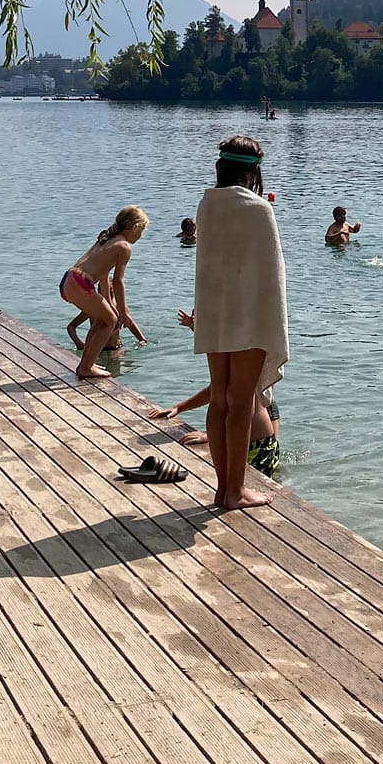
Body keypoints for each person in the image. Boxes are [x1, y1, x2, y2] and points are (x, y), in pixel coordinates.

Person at [194, 135, 289, 511]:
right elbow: (272, 275)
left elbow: (210, 263)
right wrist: (274, 324)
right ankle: (235, 492)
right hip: (249, 315)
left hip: (215, 311)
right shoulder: (258, 209)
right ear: (252, 171)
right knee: (242, 402)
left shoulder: (207, 205)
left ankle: (222, 488)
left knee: (219, 400)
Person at [59, 207, 149, 380]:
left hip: (70, 279)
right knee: (111, 321)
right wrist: (122, 311)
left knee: (104, 319)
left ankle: (86, 364)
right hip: (81, 283)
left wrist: (109, 304)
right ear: (135, 227)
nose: (141, 236)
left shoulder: (108, 239)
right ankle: (86, 367)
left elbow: (103, 275)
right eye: (142, 231)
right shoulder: (124, 247)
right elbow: (117, 281)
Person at [147, 383, 281, 475]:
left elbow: (244, 405)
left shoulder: (247, 351)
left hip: (258, 447)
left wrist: (213, 435)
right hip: (249, 438)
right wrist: (179, 407)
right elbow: (217, 388)